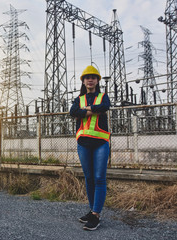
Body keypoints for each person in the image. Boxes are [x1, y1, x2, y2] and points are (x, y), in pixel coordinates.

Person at [69, 65, 111, 231]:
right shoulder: (78, 99)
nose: (90, 79)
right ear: (84, 81)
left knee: (99, 177)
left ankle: (95, 215)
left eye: (93, 77)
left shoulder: (103, 96)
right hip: (83, 143)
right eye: (87, 77)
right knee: (89, 178)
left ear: (97, 80)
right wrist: (92, 110)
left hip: (100, 143)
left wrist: (85, 110)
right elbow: (73, 112)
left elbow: (104, 107)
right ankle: (92, 210)